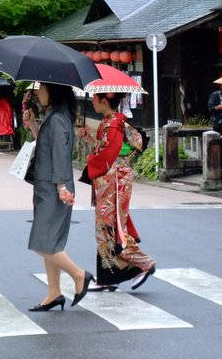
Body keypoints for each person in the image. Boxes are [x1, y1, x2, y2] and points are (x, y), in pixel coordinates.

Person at [22, 82, 93, 311]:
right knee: (50, 241)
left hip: (54, 187)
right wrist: (32, 125)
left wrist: (62, 186)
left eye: (42, 88)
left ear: (53, 91)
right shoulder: (54, 117)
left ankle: (79, 275)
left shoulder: (58, 119)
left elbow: (61, 155)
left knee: (42, 242)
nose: (38, 92)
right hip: (48, 186)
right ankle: (54, 292)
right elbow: (46, 147)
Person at [77, 92, 156, 292]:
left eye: (95, 98)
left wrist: (91, 160)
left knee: (114, 227)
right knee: (105, 229)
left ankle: (144, 263)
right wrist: (90, 138)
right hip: (113, 178)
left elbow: (108, 154)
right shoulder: (111, 123)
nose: (93, 100)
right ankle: (107, 277)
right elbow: (108, 149)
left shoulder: (113, 125)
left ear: (104, 100)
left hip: (114, 179)